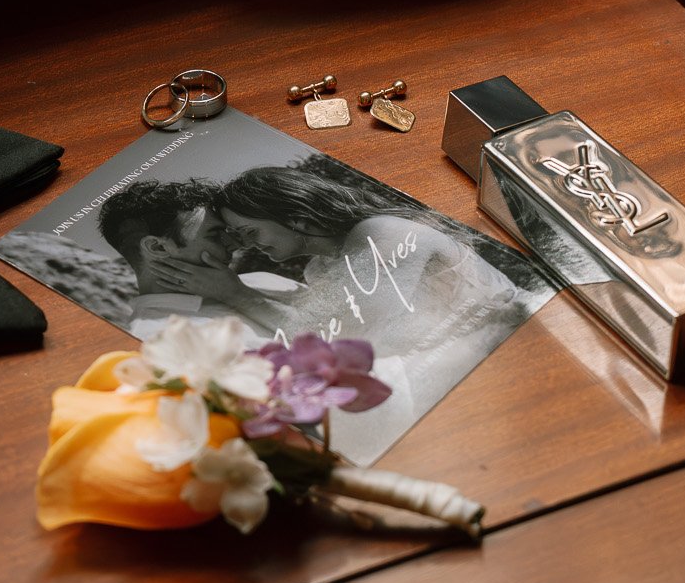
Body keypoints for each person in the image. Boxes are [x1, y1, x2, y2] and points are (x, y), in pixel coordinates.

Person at [214, 160, 539, 452]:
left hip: (522, 344)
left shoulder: (379, 232)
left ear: (293, 215)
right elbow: (324, 324)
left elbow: (357, 336)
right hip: (471, 372)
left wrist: (237, 295)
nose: (248, 243)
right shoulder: (319, 267)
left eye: (250, 231)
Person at [97, 177, 294, 340]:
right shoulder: (155, 339)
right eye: (215, 235)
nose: (235, 244)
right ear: (158, 247)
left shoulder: (263, 280)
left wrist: (241, 296)